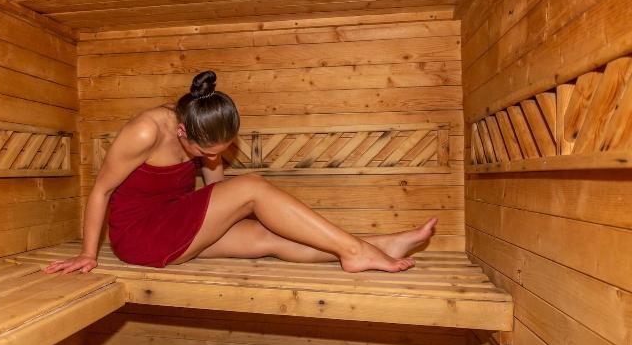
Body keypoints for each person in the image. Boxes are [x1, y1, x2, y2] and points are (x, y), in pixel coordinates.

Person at [44, 70, 436, 275]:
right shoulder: (146, 131)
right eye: (204, 153)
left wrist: (222, 183)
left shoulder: (204, 128)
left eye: (221, 151)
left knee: (270, 236)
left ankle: (382, 245)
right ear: (181, 131)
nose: (211, 158)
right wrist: (88, 254)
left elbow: (213, 194)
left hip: (176, 222)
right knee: (251, 187)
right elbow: (101, 191)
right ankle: (355, 252)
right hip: (141, 235)